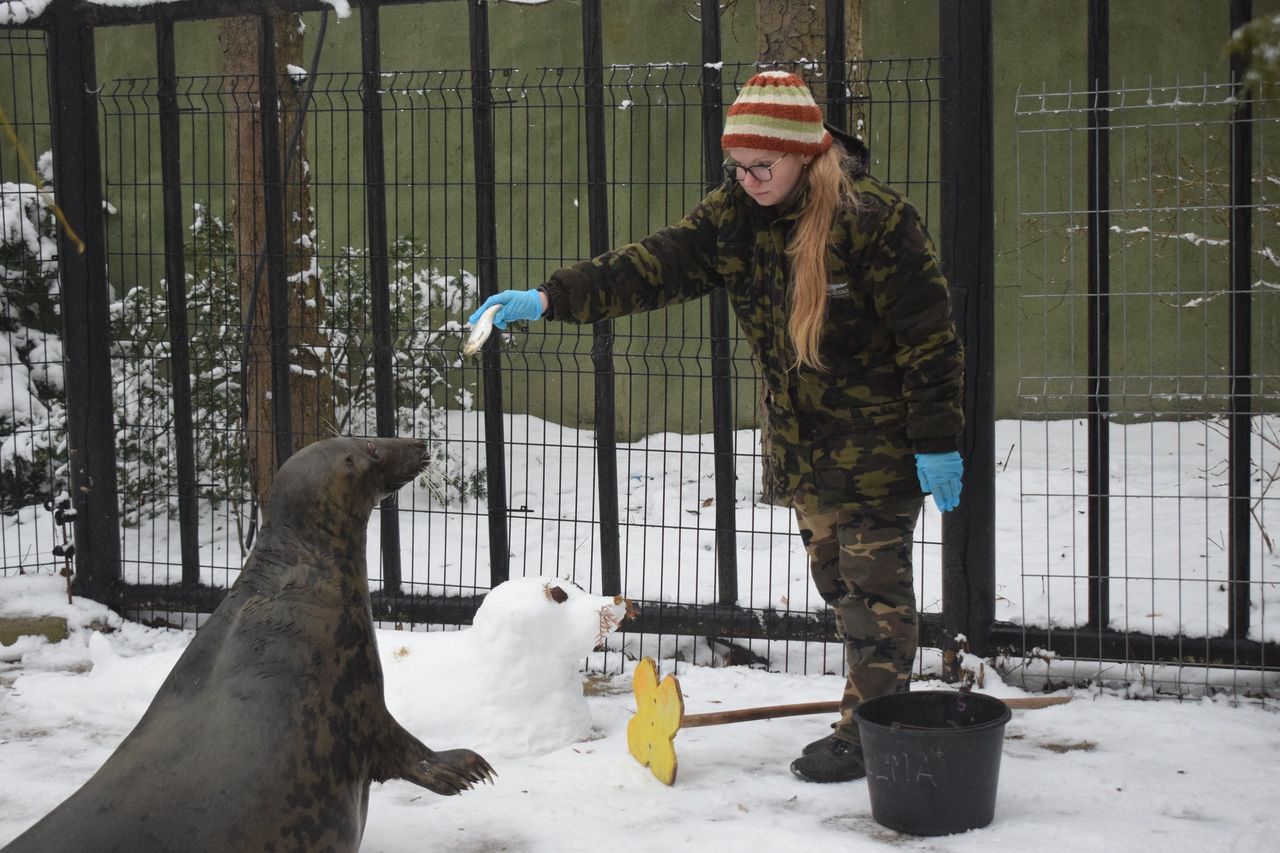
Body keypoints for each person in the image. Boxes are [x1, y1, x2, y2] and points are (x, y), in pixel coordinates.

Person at [468, 69, 965, 783]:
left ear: (804, 154)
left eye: (763, 166)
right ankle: (873, 710)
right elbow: (650, 266)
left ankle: (873, 736)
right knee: (839, 585)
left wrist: (937, 439)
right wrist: (548, 297)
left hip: (878, 445)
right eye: (739, 166)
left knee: (875, 595)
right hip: (804, 445)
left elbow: (930, 338)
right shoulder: (735, 216)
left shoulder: (875, 221)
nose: (750, 179)